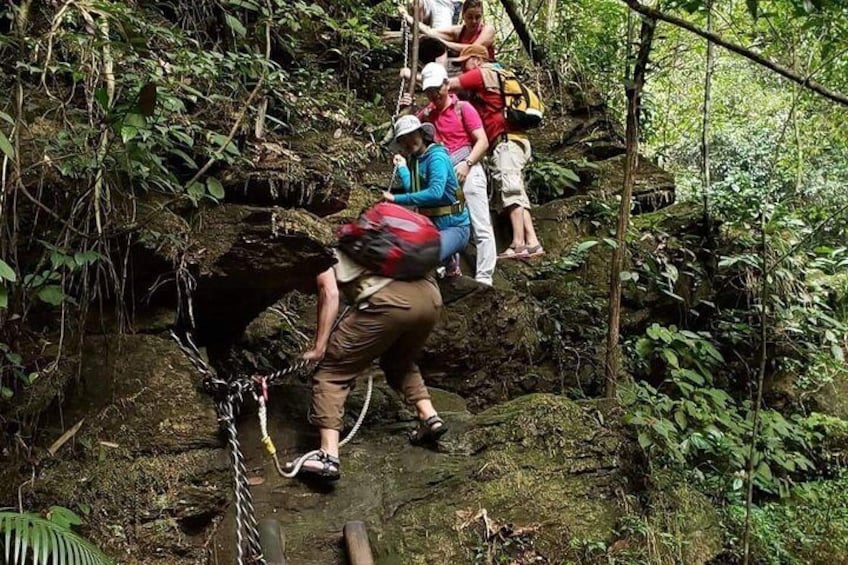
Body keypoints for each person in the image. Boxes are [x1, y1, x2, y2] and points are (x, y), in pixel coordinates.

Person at [291, 247, 447, 481]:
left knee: (331, 373)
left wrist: (320, 347)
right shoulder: (372, 240)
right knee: (399, 361)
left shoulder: (320, 248)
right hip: (430, 296)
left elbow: (330, 293)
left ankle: (328, 455)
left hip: (389, 302)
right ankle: (429, 416)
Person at [448, 43, 544, 259]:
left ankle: (518, 244)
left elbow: (446, 84)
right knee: (516, 188)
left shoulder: (482, 73)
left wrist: (413, 76)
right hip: (514, 141)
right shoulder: (500, 75)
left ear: (477, 59)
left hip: (506, 142)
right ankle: (533, 242)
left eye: (466, 63)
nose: (464, 68)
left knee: (510, 188)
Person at [407, 62, 496, 285]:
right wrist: (406, 107)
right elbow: (405, 131)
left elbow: (482, 141)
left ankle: (484, 278)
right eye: (428, 91)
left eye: (437, 88)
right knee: (444, 221)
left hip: (468, 167)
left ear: (447, 84)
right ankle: (450, 268)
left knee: (480, 224)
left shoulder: (463, 108)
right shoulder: (426, 115)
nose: (433, 94)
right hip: (445, 176)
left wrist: (467, 164)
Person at [383, 115, 471, 265]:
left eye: (412, 135)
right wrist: (403, 167)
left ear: (422, 134)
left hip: (455, 226)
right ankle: (446, 261)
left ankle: (449, 260)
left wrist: (396, 199)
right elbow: (414, 188)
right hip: (431, 224)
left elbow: (435, 192)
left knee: (424, 256)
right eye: (403, 139)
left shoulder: (437, 157)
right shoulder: (416, 159)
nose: (409, 142)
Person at [406, 0, 496, 60]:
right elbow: (430, 31)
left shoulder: (488, 30)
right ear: (463, 16)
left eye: (478, 17)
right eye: (470, 17)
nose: (474, 21)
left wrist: (444, 43)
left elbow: (473, 49)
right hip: (466, 71)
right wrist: (406, 17)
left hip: (484, 73)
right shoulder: (459, 31)